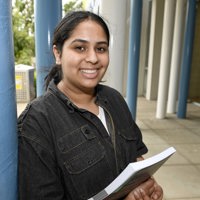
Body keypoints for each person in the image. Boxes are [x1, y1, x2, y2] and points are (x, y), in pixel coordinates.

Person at [18, 11, 163, 200]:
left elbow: (135, 156)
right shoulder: (37, 122)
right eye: (80, 48)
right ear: (58, 53)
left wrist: (148, 185)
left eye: (101, 49)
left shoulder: (115, 100)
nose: (93, 58)